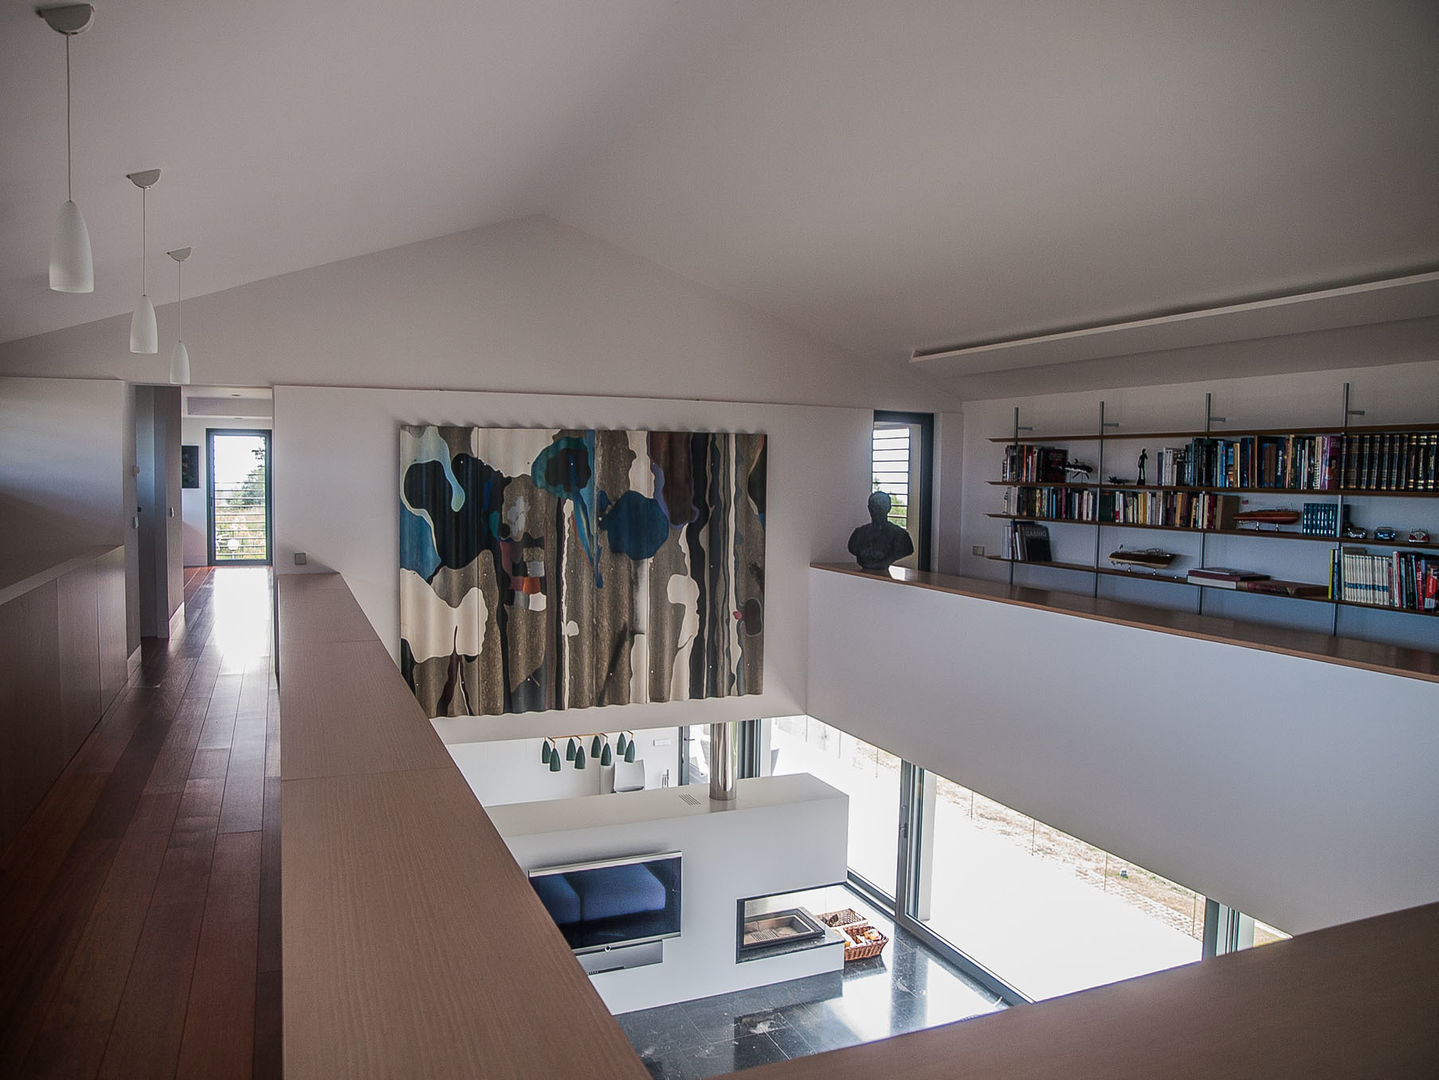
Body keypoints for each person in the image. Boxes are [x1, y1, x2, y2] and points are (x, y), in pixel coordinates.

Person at [848, 491, 914, 572]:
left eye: (882, 505)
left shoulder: (901, 536)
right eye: (874, 506)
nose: (878, 509)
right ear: (869, 508)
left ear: (889, 508)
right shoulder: (858, 534)